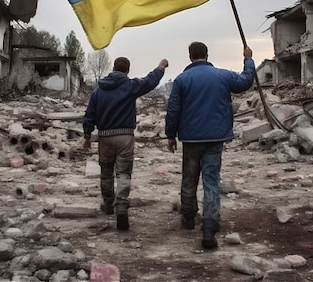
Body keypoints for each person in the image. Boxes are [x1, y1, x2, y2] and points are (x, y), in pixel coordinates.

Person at [165, 41, 254, 249]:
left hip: (191, 138)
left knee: (189, 178)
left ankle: (188, 218)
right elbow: (245, 82)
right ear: (207, 54)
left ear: (190, 57)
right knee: (212, 180)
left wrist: (171, 135)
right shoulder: (223, 76)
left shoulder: (181, 80)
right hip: (215, 137)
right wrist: (248, 59)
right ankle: (209, 226)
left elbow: (173, 110)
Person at [83, 56, 169, 231]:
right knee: (123, 173)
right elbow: (149, 81)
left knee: (106, 173)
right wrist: (161, 67)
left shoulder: (99, 90)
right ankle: (121, 206)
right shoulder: (130, 86)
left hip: (105, 137)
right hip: (125, 137)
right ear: (127, 70)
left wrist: (86, 135)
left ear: (113, 68)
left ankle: (108, 205)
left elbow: (89, 114)